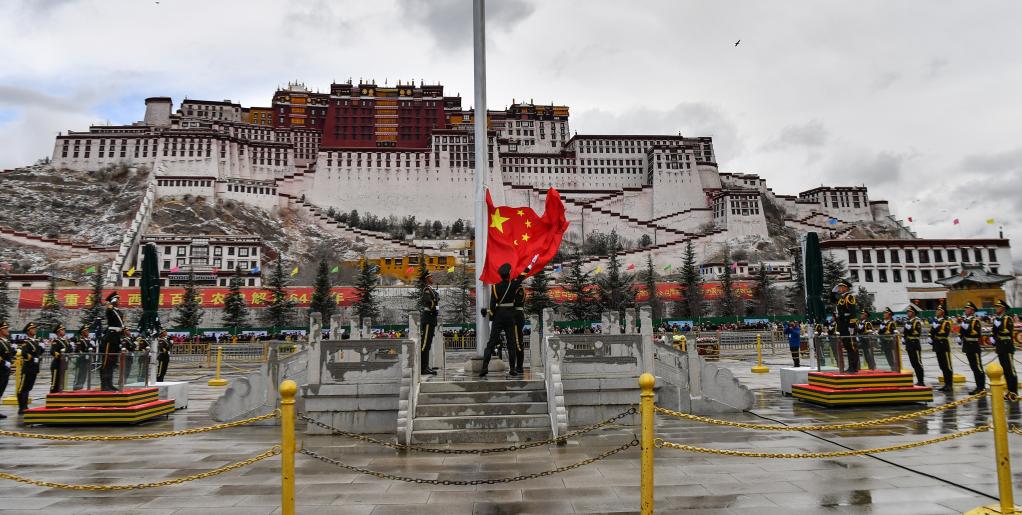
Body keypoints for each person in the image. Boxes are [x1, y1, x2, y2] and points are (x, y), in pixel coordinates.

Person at [479, 257, 537, 378]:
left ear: (500, 275)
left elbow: (492, 306)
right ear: (509, 274)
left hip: (498, 316)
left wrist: (492, 318)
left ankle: (484, 367)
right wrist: (531, 263)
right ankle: (512, 369)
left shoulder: (495, 287)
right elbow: (523, 275)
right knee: (511, 344)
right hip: (510, 316)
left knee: (491, 343)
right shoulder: (513, 284)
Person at [991, 299, 1017, 395]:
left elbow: (1008, 332)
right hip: (1000, 347)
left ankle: (1013, 391)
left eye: (998, 307)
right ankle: (1009, 390)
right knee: (1005, 370)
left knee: (1010, 370)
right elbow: (994, 332)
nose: (996, 308)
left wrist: (999, 327)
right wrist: (992, 338)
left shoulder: (1008, 319)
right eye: (996, 307)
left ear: (1003, 308)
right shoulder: (997, 319)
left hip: (1007, 346)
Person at [17, 322, 44, 415]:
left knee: (28, 387)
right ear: (28, 331)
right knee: (23, 388)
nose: (34, 330)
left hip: (34, 368)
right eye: (32, 329)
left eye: (35, 328)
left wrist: (42, 347)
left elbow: (39, 352)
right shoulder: (26, 342)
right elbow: (24, 353)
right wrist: (32, 358)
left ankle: (25, 406)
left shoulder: (35, 341)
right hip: (28, 368)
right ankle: (21, 407)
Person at [960, 301, 986, 395]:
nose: (966, 310)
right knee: (974, 368)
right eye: (966, 308)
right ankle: (978, 387)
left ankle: (981, 387)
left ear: (972, 310)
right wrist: (960, 337)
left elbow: (977, 334)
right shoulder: (965, 320)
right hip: (967, 346)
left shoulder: (975, 321)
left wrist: (967, 329)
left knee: (978, 368)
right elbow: (961, 332)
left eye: (968, 308)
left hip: (974, 346)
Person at [834, 279, 859, 373]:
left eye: (841, 287)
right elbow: (833, 298)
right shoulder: (841, 298)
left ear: (846, 288)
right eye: (839, 287)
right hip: (843, 325)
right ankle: (850, 366)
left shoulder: (849, 297)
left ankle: (854, 367)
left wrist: (852, 326)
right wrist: (833, 292)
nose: (839, 289)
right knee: (847, 346)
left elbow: (853, 312)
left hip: (848, 324)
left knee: (852, 346)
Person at [100, 292, 124, 391]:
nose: (119, 301)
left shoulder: (118, 311)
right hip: (110, 337)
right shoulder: (110, 310)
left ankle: (109, 384)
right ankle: (104, 384)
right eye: (117, 299)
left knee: (112, 362)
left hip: (116, 337)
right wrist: (110, 304)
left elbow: (120, 324)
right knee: (106, 361)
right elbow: (109, 312)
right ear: (113, 300)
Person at [419, 271, 440, 375]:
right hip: (428, 318)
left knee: (428, 344)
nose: (432, 278)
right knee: (424, 344)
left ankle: (426, 366)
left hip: (431, 318)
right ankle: (423, 368)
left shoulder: (431, 289)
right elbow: (428, 301)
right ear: (426, 279)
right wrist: (434, 306)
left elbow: (435, 299)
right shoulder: (427, 289)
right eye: (430, 277)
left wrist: (436, 296)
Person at [902, 306, 925, 386]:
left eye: (909, 312)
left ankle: (921, 381)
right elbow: (905, 332)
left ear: (913, 313)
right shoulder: (908, 322)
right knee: (913, 363)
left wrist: (910, 329)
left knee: (918, 363)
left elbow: (917, 333)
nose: (908, 313)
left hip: (915, 344)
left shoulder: (917, 322)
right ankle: (919, 381)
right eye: (908, 312)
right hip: (909, 344)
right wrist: (904, 338)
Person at [49, 323, 70, 393]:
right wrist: (60, 356)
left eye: (64, 330)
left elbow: (70, 350)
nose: (64, 331)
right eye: (62, 330)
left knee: (62, 384)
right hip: (57, 365)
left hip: (63, 365)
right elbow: (52, 351)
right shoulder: (56, 341)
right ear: (58, 332)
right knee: (55, 384)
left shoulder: (66, 341)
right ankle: (52, 396)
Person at [513, 280, 527, 375]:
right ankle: (514, 365)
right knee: (513, 342)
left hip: (517, 316)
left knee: (518, 342)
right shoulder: (514, 288)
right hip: (513, 315)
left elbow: (517, 302)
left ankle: (519, 366)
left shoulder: (520, 289)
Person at [0, 321, 12, 419]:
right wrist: (4, 362)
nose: (7, 330)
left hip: (5, 371)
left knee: (1, 391)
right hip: (1, 369)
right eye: (5, 328)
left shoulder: (6, 341)